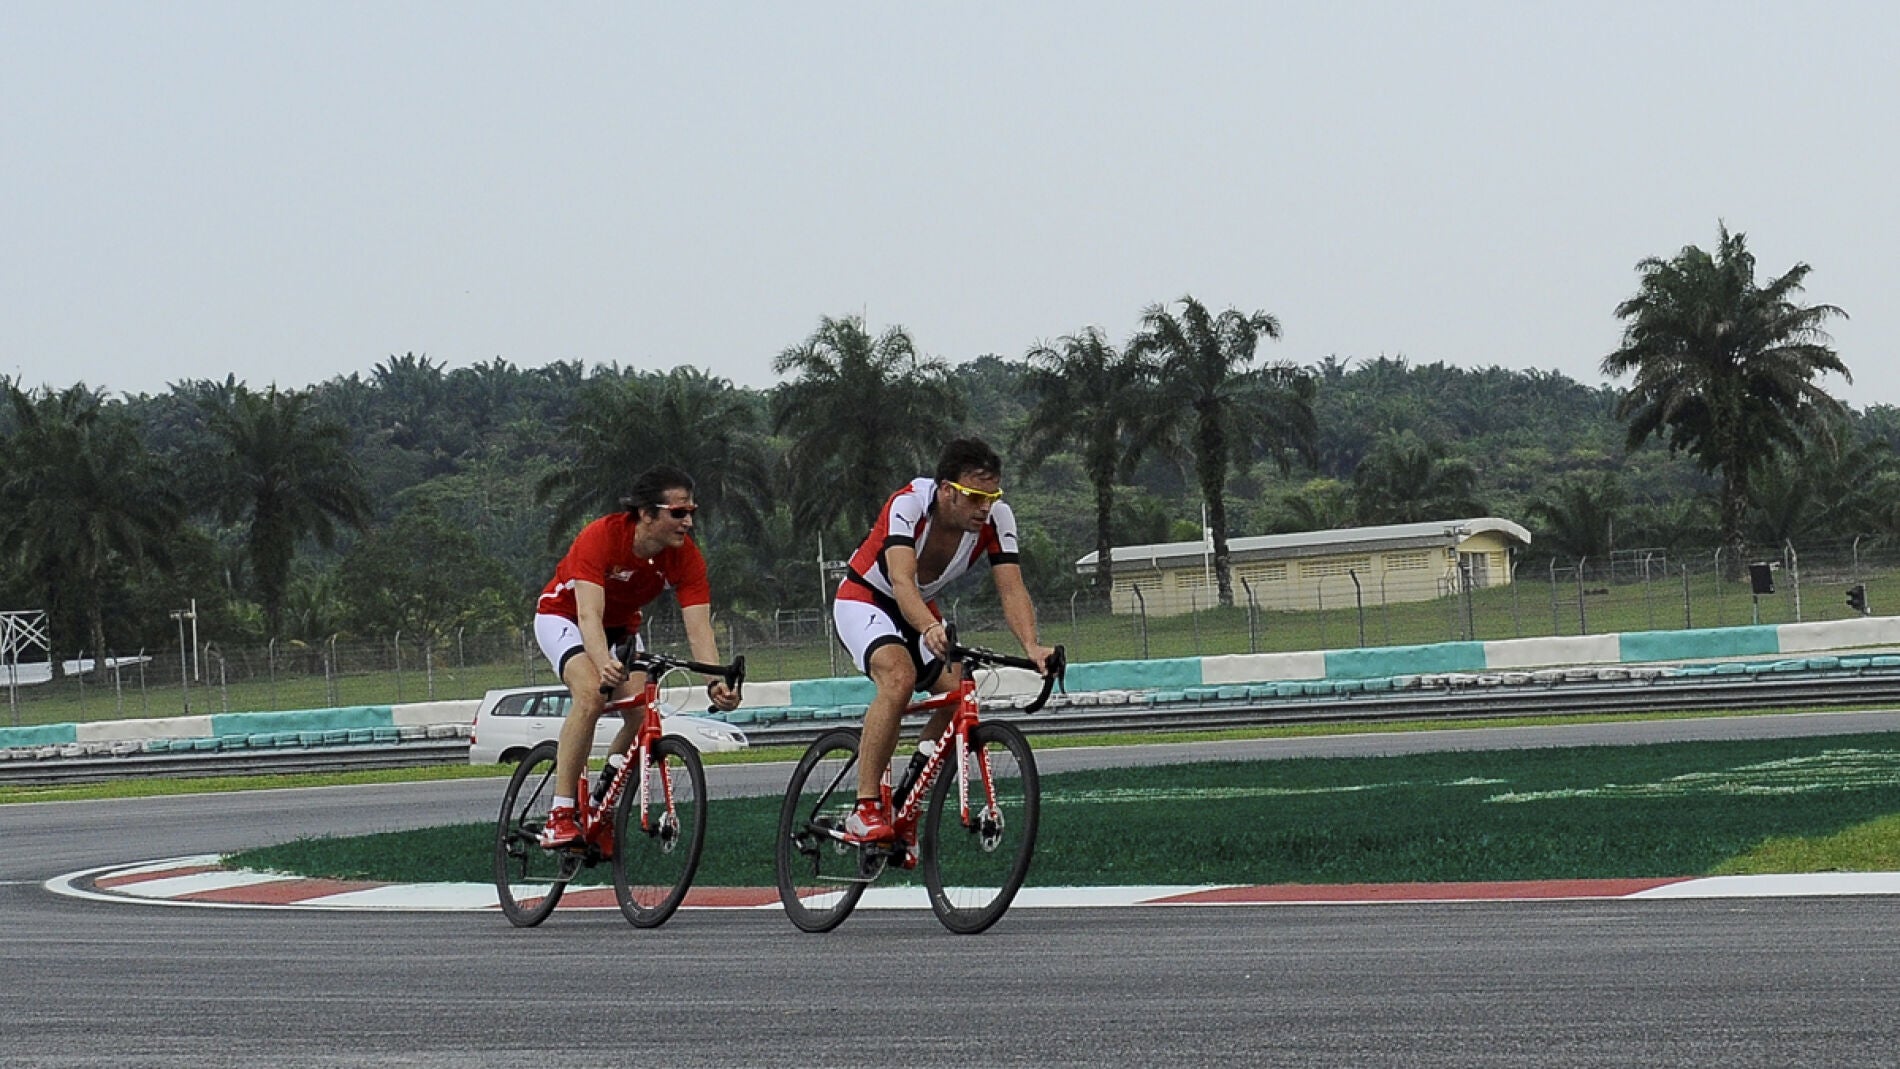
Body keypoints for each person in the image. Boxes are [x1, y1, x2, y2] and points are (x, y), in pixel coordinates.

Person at [831, 437, 1057, 842]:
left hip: (919, 607)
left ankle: (911, 792)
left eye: (992, 496)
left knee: (959, 696)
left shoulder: (996, 519)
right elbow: (901, 581)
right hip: (866, 597)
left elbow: (1011, 589)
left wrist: (1032, 647)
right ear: (947, 490)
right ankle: (864, 807)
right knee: (898, 679)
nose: (984, 508)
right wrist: (929, 628)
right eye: (974, 497)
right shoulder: (909, 504)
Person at [531, 464, 741, 848]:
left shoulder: (686, 558)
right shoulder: (602, 537)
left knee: (642, 714)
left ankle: (601, 804)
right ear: (647, 513)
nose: (688, 522)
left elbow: (699, 628)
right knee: (592, 694)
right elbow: (588, 614)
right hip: (564, 618)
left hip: (622, 630)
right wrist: (602, 662)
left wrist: (715, 681)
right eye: (678, 513)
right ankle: (559, 814)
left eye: (692, 512)